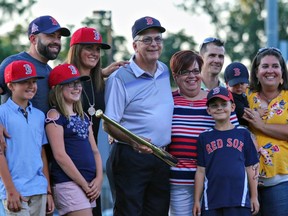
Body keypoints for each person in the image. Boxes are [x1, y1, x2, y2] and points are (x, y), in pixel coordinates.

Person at [103, 16, 173, 216]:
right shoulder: (120, 78)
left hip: (160, 157)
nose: (154, 44)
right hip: (130, 157)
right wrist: (133, 141)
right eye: (147, 40)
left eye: (158, 39)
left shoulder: (163, 70)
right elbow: (109, 124)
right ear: (135, 45)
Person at [167, 50, 239, 216]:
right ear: (175, 76)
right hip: (179, 182)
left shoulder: (216, 101)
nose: (191, 76)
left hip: (213, 181)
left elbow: (235, 133)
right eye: (185, 72)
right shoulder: (168, 101)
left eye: (195, 71)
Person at [67, 26, 129, 216]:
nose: (94, 53)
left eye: (97, 49)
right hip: (68, 166)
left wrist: (101, 73)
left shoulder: (100, 83)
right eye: (89, 48)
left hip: (91, 166)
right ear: (76, 50)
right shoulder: (64, 82)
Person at [45, 63, 103, 216]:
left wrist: (99, 178)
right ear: (57, 88)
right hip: (69, 183)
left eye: (78, 83)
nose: (77, 87)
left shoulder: (83, 116)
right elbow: (60, 156)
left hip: (89, 184)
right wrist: (84, 184)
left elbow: (95, 151)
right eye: (70, 84)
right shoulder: (55, 116)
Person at [193, 86, 259, 216]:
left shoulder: (243, 133)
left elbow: (250, 168)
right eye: (214, 105)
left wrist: (254, 196)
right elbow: (201, 171)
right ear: (209, 110)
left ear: (232, 107)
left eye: (224, 104)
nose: (219, 108)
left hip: (239, 200)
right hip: (211, 201)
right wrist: (196, 200)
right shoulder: (204, 137)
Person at [0, 60, 54, 215]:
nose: (31, 86)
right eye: (24, 81)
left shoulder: (39, 115)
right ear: (10, 85)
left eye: (34, 81)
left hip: (38, 189)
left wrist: (48, 191)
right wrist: (10, 190)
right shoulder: (2, 114)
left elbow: (42, 153)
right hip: (15, 191)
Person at [243, 47, 288, 216]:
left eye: (275, 66)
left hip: (282, 182)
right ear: (256, 71)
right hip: (245, 182)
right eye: (265, 66)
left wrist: (261, 126)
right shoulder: (245, 96)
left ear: (282, 71)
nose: (270, 71)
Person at [224, 62, 250, 126]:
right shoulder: (230, 97)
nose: (239, 86)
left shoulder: (244, 95)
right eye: (235, 84)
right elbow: (245, 115)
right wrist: (258, 112)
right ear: (227, 84)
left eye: (242, 83)